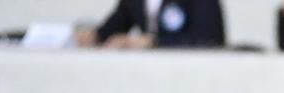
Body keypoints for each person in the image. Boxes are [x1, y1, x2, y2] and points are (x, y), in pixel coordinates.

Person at [82, 0, 225, 49]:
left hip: (191, 75)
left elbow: (210, 38)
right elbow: (109, 30)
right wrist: (93, 37)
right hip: (148, 77)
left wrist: (153, 42)